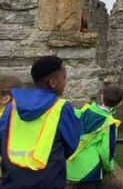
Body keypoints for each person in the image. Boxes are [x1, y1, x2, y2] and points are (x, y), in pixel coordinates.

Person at [0, 55, 81, 189]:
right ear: (53, 82)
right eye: (64, 78)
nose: (65, 82)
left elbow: (2, 137)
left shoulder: (12, 106)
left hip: (12, 181)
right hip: (48, 181)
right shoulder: (61, 107)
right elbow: (71, 145)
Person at [66, 83, 123, 188]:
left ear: (101, 96)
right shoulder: (109, 123)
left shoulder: (83, 110)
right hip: (90, 172)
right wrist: (109, 168)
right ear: (119, 104)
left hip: (70, 168)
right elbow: (106, 151)